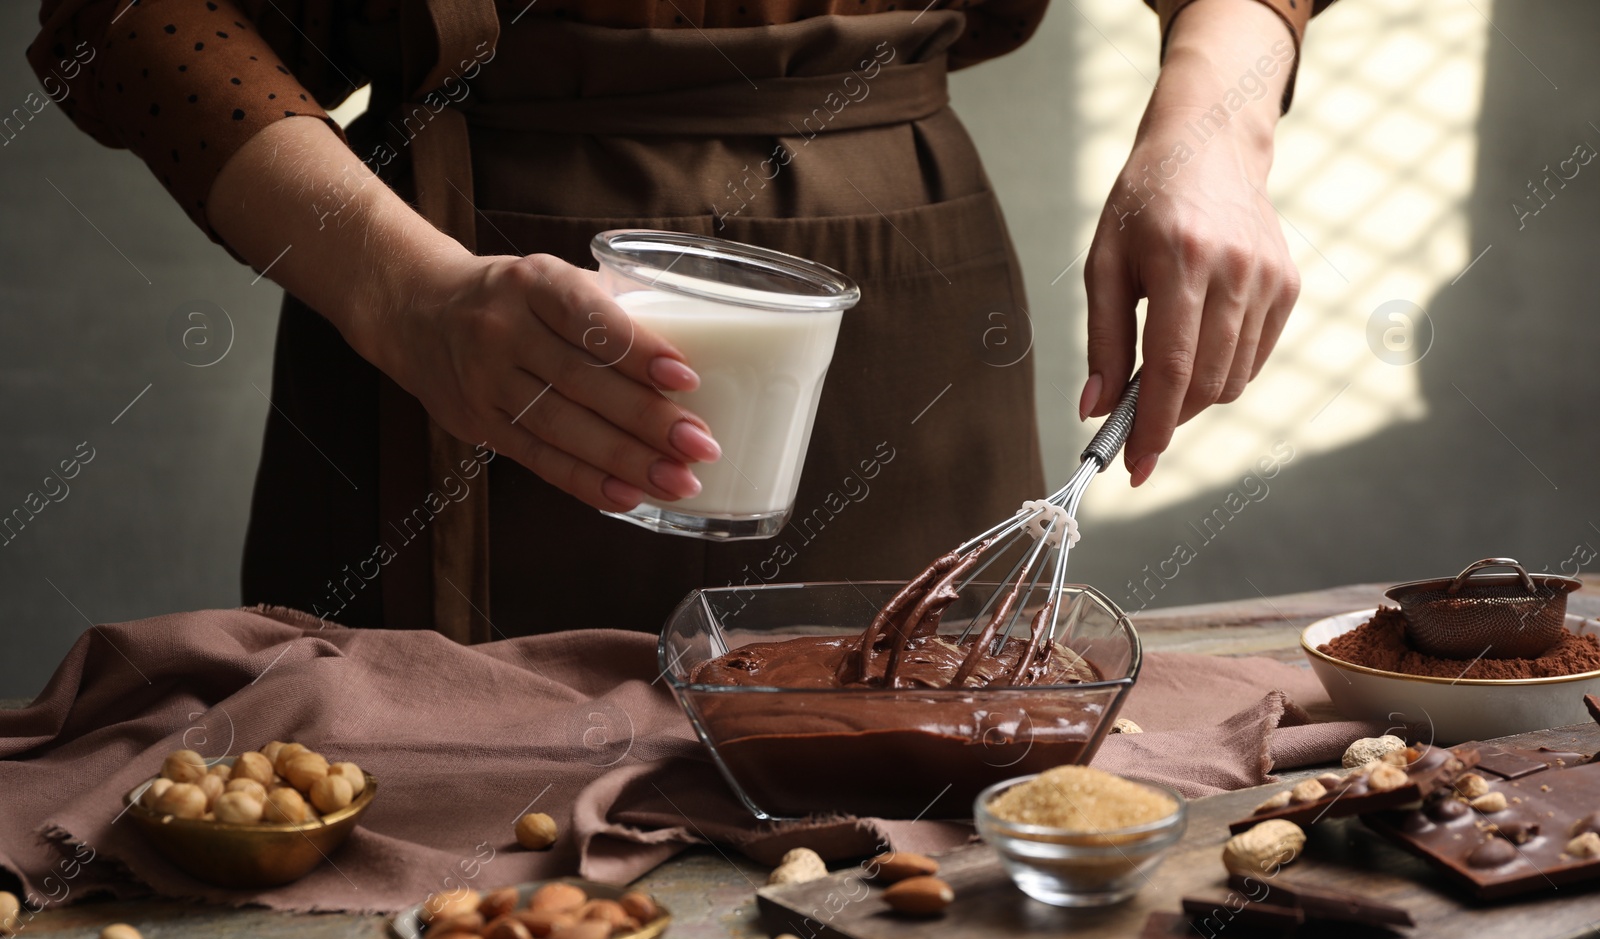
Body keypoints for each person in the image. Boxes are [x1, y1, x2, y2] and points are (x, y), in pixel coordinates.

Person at [28, 0, 1333, 641]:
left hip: (912, 317)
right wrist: (409, 299)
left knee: (911, 866)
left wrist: (1220, 122)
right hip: (439, 319)